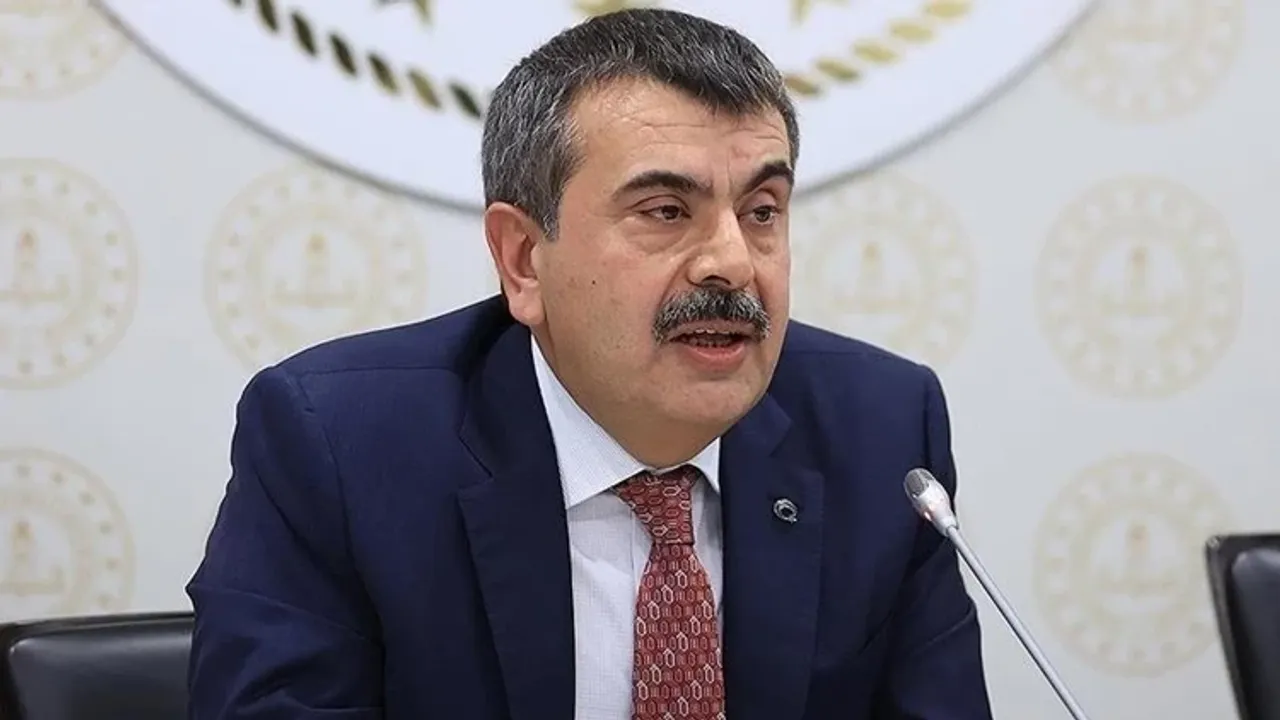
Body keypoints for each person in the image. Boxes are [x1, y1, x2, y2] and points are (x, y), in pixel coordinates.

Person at [186, 8, 993, 720]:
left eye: (761, 212)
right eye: (666, 211)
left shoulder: (882, 434)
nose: (732, 262)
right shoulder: (337, 447)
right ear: (523, 259)